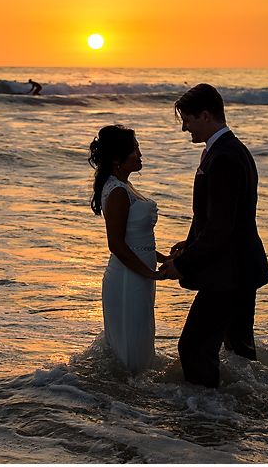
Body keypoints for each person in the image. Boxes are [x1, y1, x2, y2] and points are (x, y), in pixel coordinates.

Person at [159, 84, 268, 388]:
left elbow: (221, 228)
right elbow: (224, 219)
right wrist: (190, 243)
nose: (184, 128)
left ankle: (206, 417)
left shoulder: (222, 157)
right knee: (239, 349)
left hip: (229, 273)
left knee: (193, 347)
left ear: (206, 116)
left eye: (187, 120)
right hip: (242, 267)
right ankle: (252, 406)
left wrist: (183, 264)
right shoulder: (233, 149)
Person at [89, 124, 170, 371]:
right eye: (134, 149)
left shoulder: (125, 186)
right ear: (116, 158)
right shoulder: (117, 192)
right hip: (128, 279)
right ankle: (129, 404)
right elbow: (116, 244)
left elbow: (137, 242)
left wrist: (162, 258)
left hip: (139, 276)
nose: (139, 154)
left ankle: (135, 404)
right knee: (132, 356)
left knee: (140, 344)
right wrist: (152, 273)